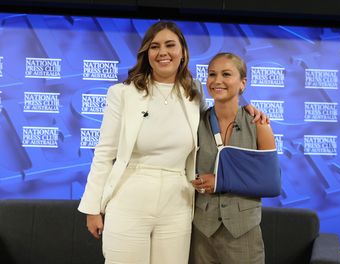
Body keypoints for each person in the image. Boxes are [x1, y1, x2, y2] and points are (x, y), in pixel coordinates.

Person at [78, 22, 268, 264]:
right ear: (147, 53)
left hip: (178, 201)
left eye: (170, 45)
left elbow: (217, 117)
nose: (163, 52)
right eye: (155, 46)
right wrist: (92, 208)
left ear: (183, 52)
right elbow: (104, 153)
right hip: (129, 196)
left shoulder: (194, 91)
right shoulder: (122, 93)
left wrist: (247, 110)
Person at [190, 52, 277, 264]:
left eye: (226, 74)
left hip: (243, 233)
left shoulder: (259, 124)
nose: (217, 80)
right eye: (212, 74)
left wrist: (220, 181)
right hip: (203, 232)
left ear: (242, 83)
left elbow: (271, 183)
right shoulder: (194, 121)